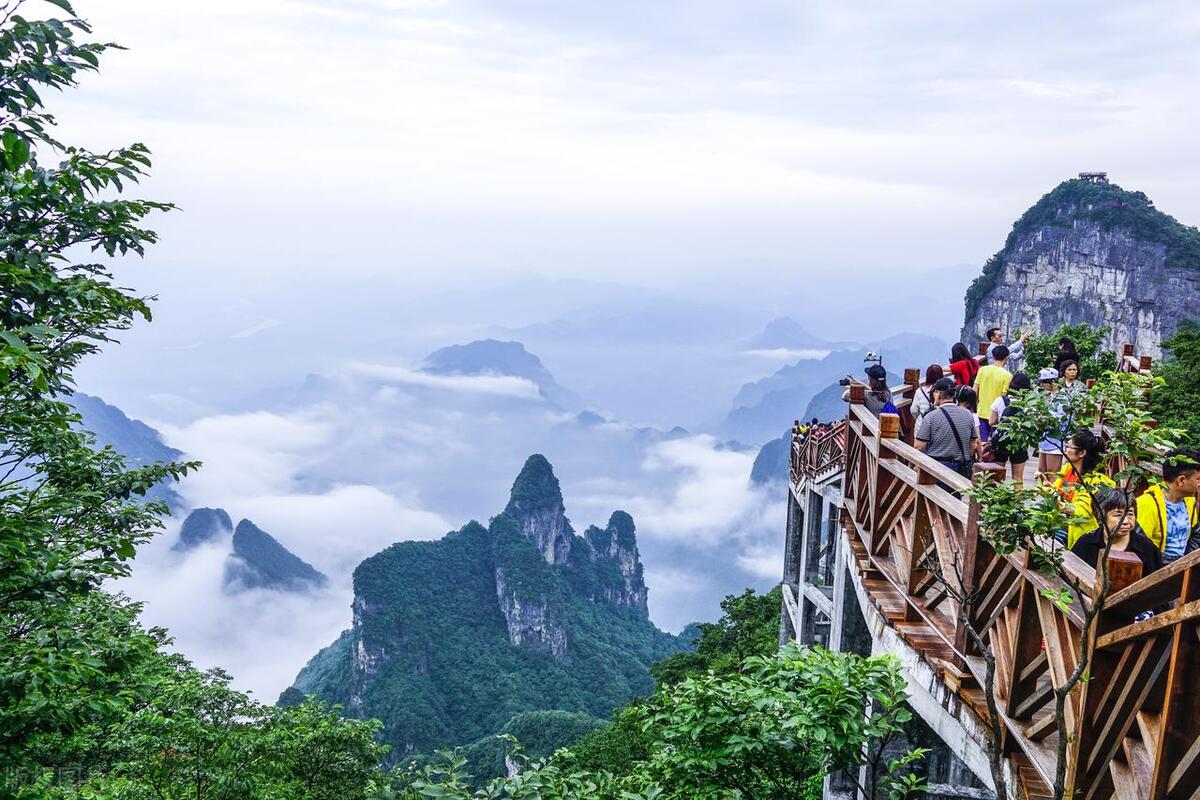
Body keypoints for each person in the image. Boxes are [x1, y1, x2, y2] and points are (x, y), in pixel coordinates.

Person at [1072, 488, 1162, 577]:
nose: (1125, 521)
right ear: (1101, 517)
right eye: (1118, 515)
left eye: (1130, 514)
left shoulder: (1147, 549)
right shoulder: (1086, 543)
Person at [1053, 428, 1115, 547]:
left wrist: (1053, 495)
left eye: (1068, 447)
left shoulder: (1096, 481)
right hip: (1061, 523)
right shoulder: (1068, 469)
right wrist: (1046, 486)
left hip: (1079, 533)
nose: (1065, 450)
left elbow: (1079, 511)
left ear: (1082, 453)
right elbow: (1055, 490)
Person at [1136, 449, 1200, 562]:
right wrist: (1174, 564)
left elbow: (1196, 535)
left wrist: (1185, 561)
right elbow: (1140, 546)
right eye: (1198, 479)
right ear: (1181, 480)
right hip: (1155, 569)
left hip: (1182, 567)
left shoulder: (1190, 502)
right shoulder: (1147, 503)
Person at [915, 377, 978, 479]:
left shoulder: (930, 417)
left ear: (939, 394)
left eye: (934, 392)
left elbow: (919, 446)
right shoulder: (968, 415)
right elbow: (973, 444)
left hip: (935, 469)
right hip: (960, 469)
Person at [990, 372, 1032, 484]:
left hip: (1001, 440)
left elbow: (991, 421)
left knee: (998, 476)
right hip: (1019, 441)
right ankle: (1017, 495)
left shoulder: (1000, 400)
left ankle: (999, 494)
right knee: (1018, 478)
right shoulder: (1028, 403)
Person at [973, 345, 1012, 442]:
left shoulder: (982, 370)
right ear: (1006, 358)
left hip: (981, 412)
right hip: (996, 415)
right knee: (994, 443)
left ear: (993, 357)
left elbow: (974, 390)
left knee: (982, 442)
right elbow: (1003, 397)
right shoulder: (1007, 376)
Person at [1036, 368, 1064, 477]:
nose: (1041, 385)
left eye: (1044, 382)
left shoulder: (1062, 397)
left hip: (1056, 440)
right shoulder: (1047, 396)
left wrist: (1046, 418)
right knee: (1041, 471)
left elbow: (1063, 418)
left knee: (1052, 474)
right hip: (1044, 439)